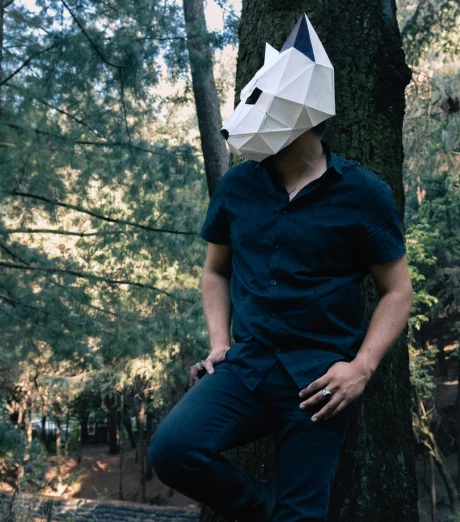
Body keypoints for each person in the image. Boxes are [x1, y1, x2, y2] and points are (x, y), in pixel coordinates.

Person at [148, 14, 412, 522]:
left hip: (320, 380)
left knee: (303, 514)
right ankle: (264, 510)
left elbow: (397, 290)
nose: (243, 119)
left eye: (265, 103)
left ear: (307, 111)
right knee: (172, 450)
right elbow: (214, 272)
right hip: (246, 365)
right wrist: (219, 343)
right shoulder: (238, 187)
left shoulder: (364, 194)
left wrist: (361, 368)